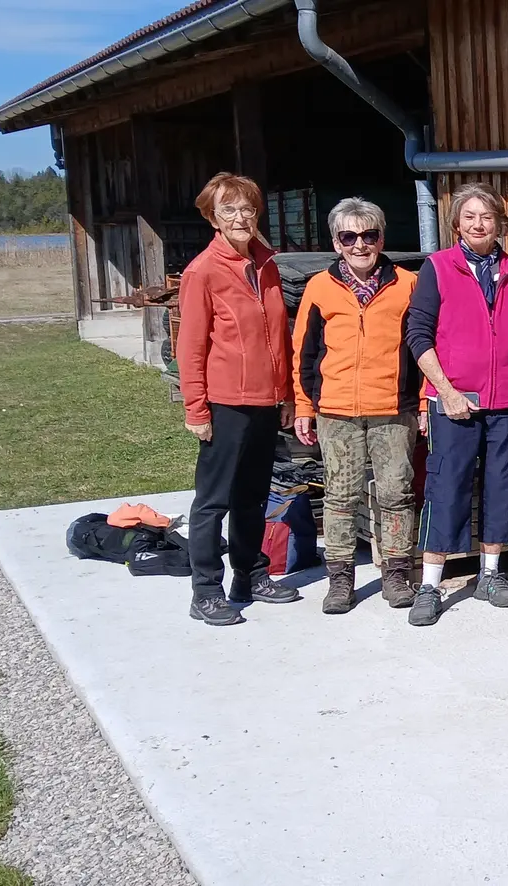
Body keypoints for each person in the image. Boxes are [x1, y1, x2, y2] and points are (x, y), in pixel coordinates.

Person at [403, 182, 508, 627]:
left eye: (487, 217)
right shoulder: (438, 267)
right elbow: (418, 334)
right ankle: (430, 584)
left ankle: (490, 575)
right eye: (470, 216)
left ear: (500, 224)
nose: (479, 224)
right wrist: (446, 391)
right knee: (446, 486)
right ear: (456, 223)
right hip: (454, 400)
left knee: (503, 486)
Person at [176, 172, 300, 627]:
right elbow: (190, 347)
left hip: (266, 401)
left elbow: (279, 337)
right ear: (213, 218)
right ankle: (206, 590)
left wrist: (286, 395)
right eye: (228, 210)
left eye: (247, 208)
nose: (240, 217)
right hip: (226, 402)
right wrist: (196, 408)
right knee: (213, 502)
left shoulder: (267, 265)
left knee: (253, 495)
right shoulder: (203, 272)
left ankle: (250, 575)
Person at [292, 197, 422, 616]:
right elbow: (303, 351)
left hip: (393, 407)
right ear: (336, 242)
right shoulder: (319, 287)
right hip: (336, 409)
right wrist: (303, 406)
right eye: (349, 237)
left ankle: (397, 574)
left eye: (369, 235)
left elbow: (422, 347)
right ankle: (340, 579)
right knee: (340, 496)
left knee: (397, 492)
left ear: (381, 239)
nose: (359, 244)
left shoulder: (407, 284)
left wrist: (422, 402)